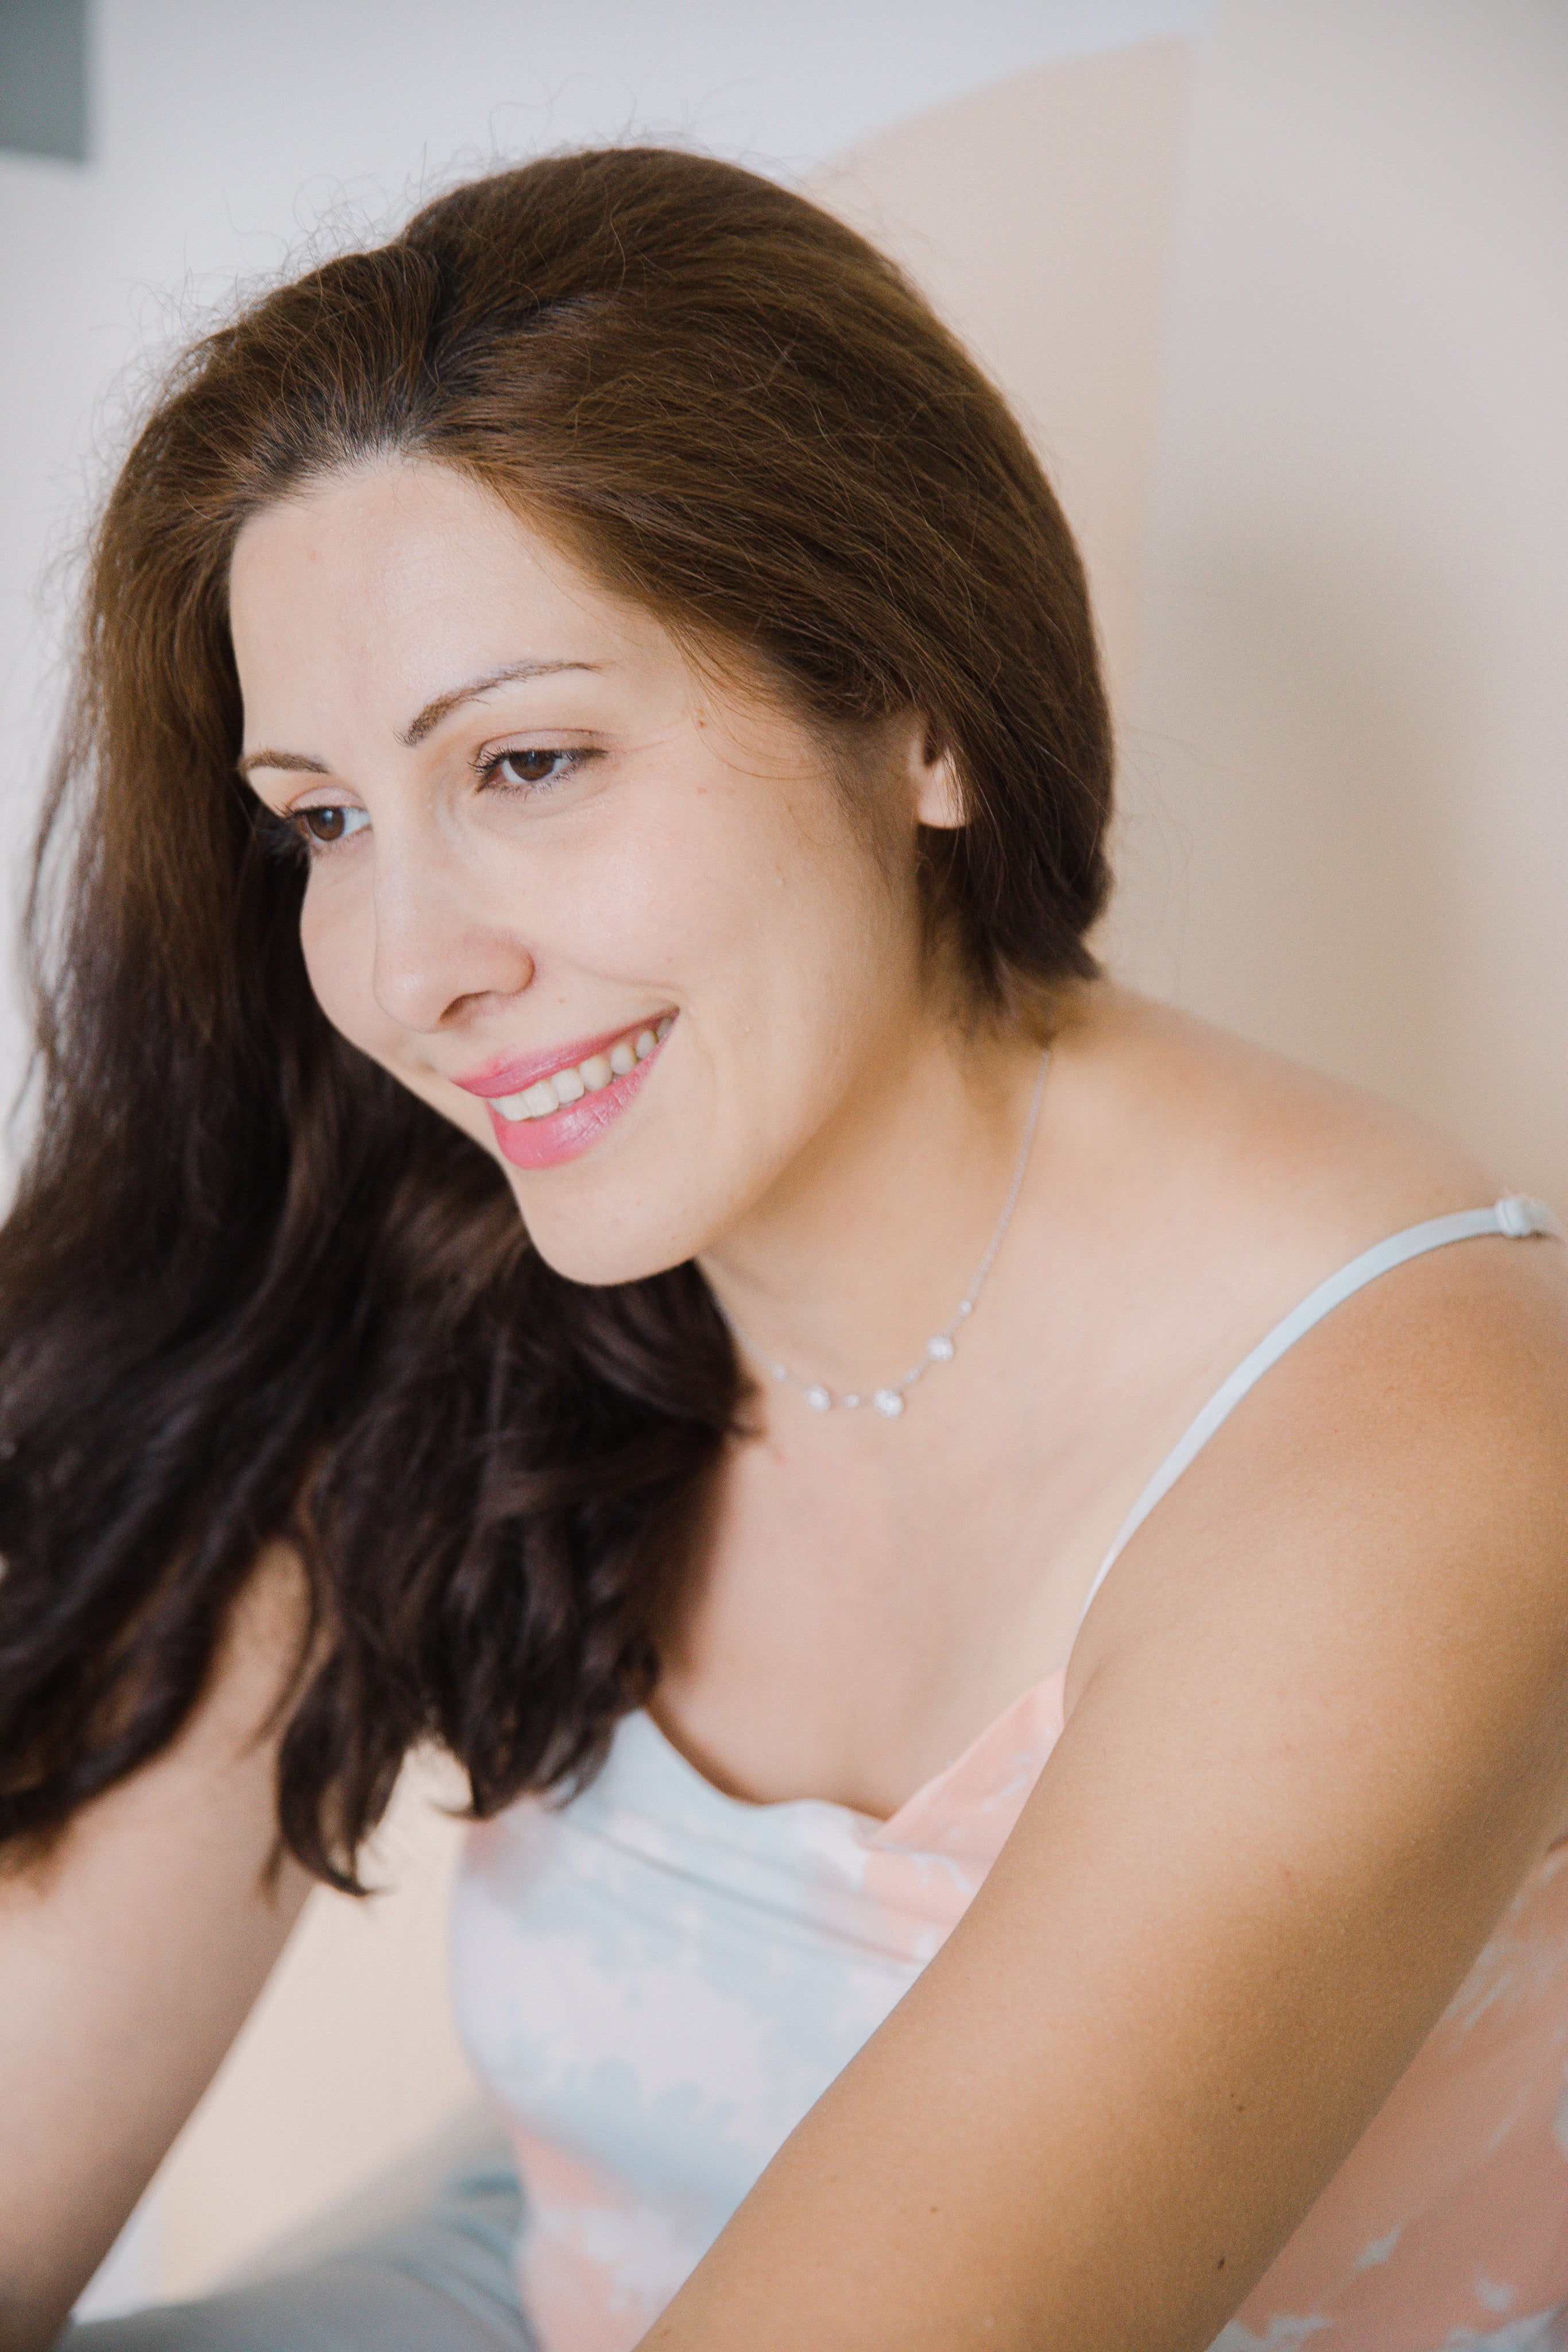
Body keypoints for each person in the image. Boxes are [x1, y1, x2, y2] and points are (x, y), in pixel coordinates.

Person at [1, 145, 1565, 2352]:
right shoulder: (469, 1248)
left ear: (920, 714)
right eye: (323, 821)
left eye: (529, 761)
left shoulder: (1423, 1438)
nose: (404, 964)